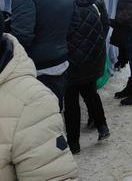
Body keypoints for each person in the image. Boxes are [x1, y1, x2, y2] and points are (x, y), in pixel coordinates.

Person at [0, 19, 79, 180]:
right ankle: (76, 142)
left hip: (41, 65)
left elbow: (24, 32)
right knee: (71, 100)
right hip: (60, 58)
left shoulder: (30, 102)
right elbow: (74, 22)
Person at [0, 0, 74, 110]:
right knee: (54, 113)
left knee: (39, 117)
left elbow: (22, 36)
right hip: (61, 61)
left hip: (39, 68)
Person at [55, 0, 111, 154]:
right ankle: (102, 126)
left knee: (71, 100)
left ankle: (74, 143)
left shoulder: (62, 0)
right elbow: (105, 24)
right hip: (94, 56)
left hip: (71, 58)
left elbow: (61, 31)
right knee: (90, 91)